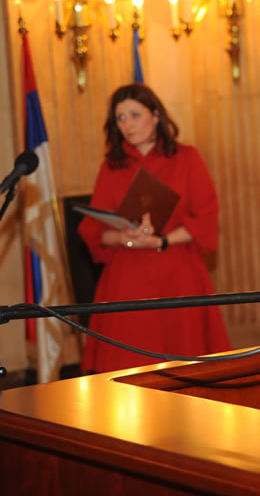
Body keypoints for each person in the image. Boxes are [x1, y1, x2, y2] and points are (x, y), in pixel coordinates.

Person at [78, 83, 231, 372]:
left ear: (156, 115)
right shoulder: (111, 166)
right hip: (127, 278)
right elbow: (95, 231)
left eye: (135, 115)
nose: (127, 124)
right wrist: (122, 236)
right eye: (120, 118)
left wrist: (162, 240)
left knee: (188, 367)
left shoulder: (186, 157)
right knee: (127, 370)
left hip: (178, 274)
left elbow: (206, 217)